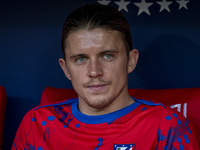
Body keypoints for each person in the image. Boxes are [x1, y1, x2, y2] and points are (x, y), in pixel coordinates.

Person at [12, 3, 199, 150]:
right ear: (66, 68)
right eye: (81, 59)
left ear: (131, 61)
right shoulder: (36, 123)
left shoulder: (166, 126)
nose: (94, 71)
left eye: (107, 56)